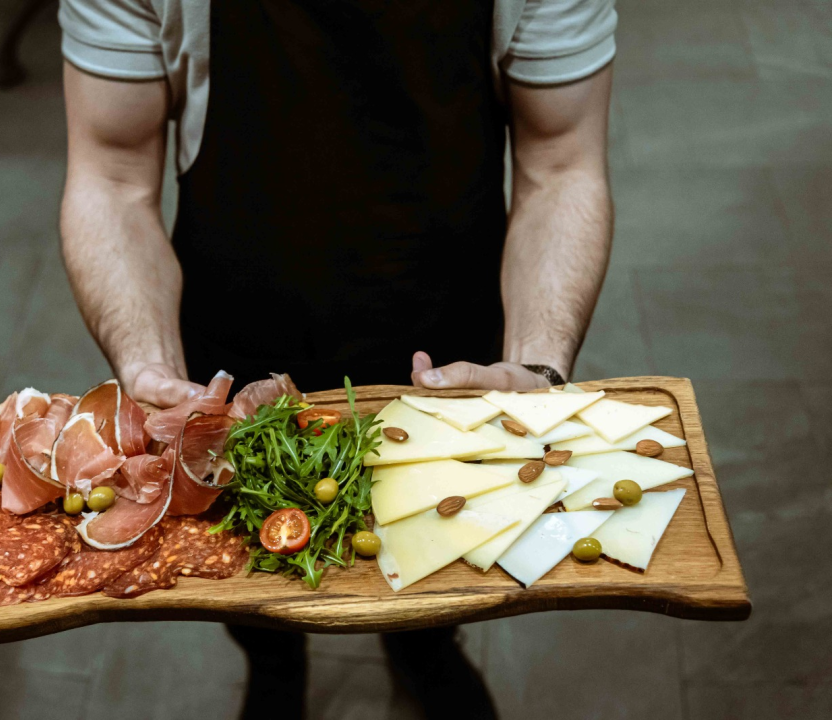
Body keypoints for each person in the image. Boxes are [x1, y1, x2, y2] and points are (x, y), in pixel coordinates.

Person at [57, 0, 616, 717]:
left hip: (447, 336)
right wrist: (147, 364)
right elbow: (111, 172)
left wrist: (538, 367)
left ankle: (425, 648)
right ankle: (273, 662)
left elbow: (561, 162)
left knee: (438, 550)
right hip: (235, 327)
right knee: (247, 560)